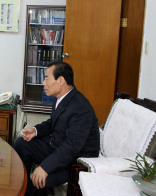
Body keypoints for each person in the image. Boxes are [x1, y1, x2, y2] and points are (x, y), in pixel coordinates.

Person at [13, 62, 100, 196]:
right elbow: (53, 123)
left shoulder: (81, 108)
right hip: (58, 145)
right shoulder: (61, 98)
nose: (43, 83)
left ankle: (26, 190)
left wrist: (45, 168)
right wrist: (35, 131)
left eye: (47, 78)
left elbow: (71, 147)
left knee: (39, 181)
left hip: (75, 161)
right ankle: (19, 183)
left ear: (60, 81)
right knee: (21, 143)